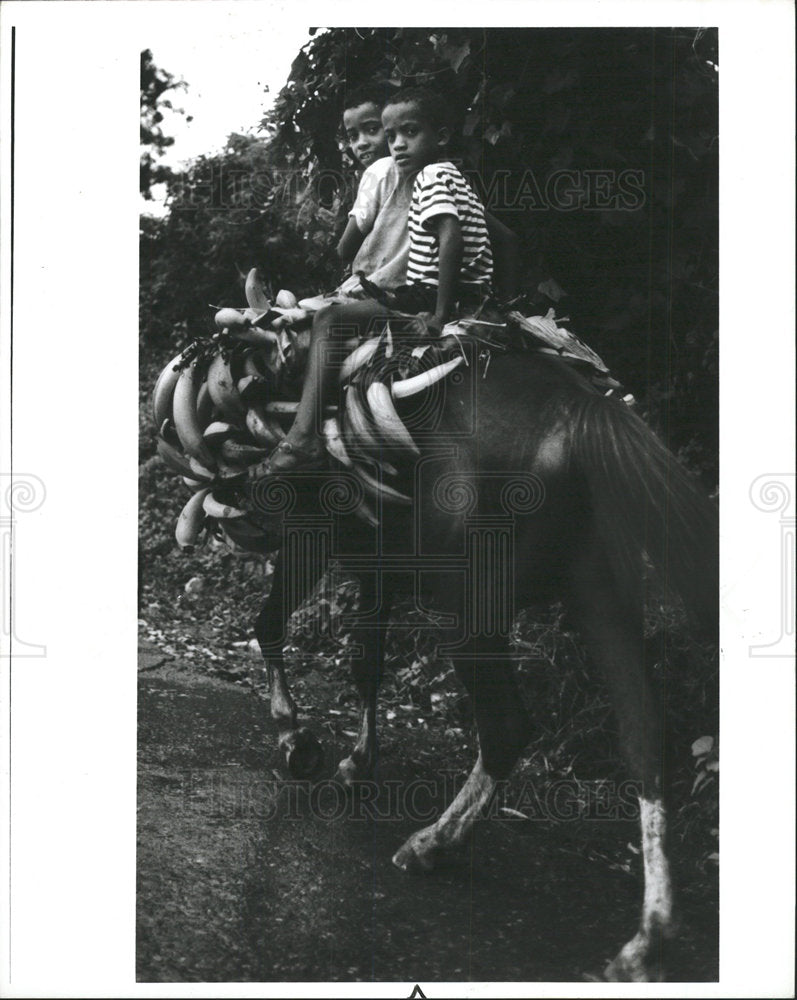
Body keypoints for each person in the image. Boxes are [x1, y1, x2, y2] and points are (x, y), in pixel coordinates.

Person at [256, 86, 503, 475]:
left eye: (408, 133)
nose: (397, 146)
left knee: (329, 321)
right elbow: (508, 241)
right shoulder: (456, 177)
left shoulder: (419, 176)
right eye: (392, 137)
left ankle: (303, 438)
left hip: (424, 296)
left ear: (439, 136)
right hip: (464, 296)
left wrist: (438, 313)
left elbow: (446, 237)